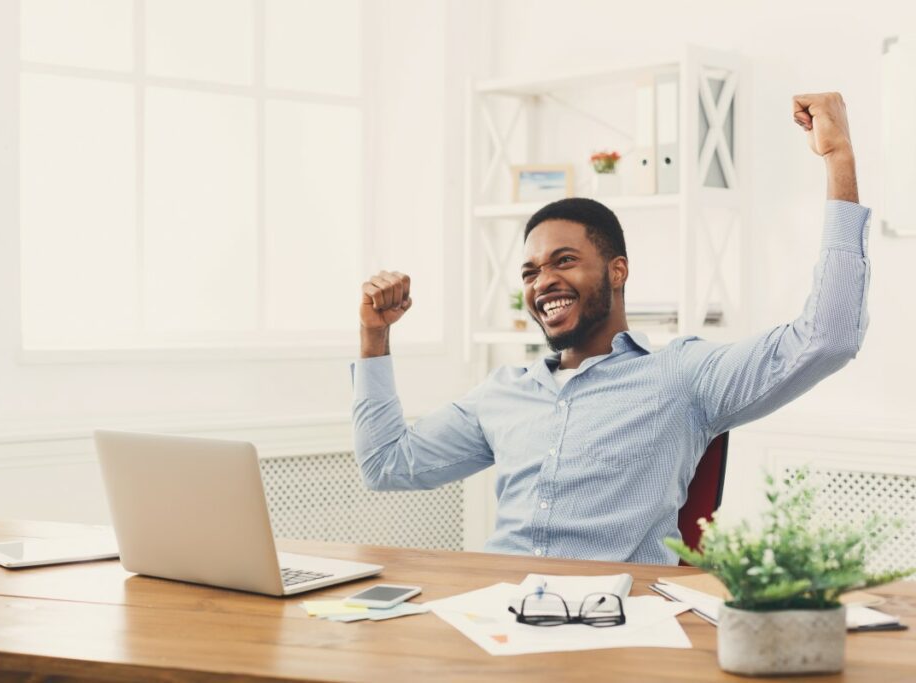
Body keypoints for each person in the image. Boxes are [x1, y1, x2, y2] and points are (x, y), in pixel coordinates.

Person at [351, 92, 869, 564]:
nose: (543, 282)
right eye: (530, 272)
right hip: (500, 610)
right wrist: (375, 336)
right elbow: (387, 465)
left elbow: (827, 338)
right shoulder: (502, 393)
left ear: (616, 271)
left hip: (617, 620)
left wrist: (838, 159)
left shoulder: (682, 375)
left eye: (565, 261)